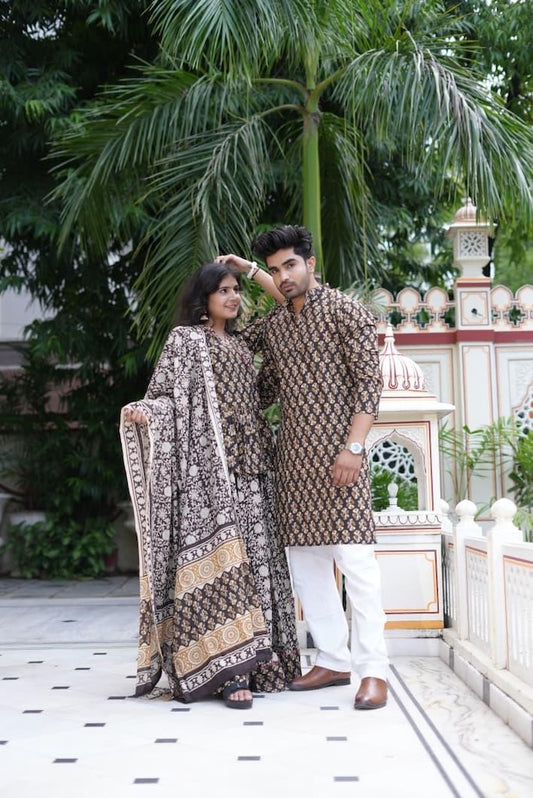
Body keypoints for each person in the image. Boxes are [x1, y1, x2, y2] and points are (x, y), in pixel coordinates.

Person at [219, 225, 389, 710]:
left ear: (311, 264)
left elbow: (367, 386)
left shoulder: (344, 311)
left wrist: (352, 449)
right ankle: (334, 659)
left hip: (341, 458)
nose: (283, 276)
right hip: (291, 459)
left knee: (356, 565)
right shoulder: (274, 325)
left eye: (290, 265)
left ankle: (373, 670)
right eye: (274, 270)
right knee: (307, 565)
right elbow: (245, 360)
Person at [120, 261, 301, 709]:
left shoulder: (242, 343)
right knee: (223, 565)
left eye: (236, 289)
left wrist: (253, 269)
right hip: (208, 477)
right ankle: (225, 673)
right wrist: (148, 413)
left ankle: (260, 662)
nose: (234, 297)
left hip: (253, 468)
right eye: (224, 290)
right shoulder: (186, 341)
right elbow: (163, 395)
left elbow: (291, 305)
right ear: (204, 299)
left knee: (257, 564)